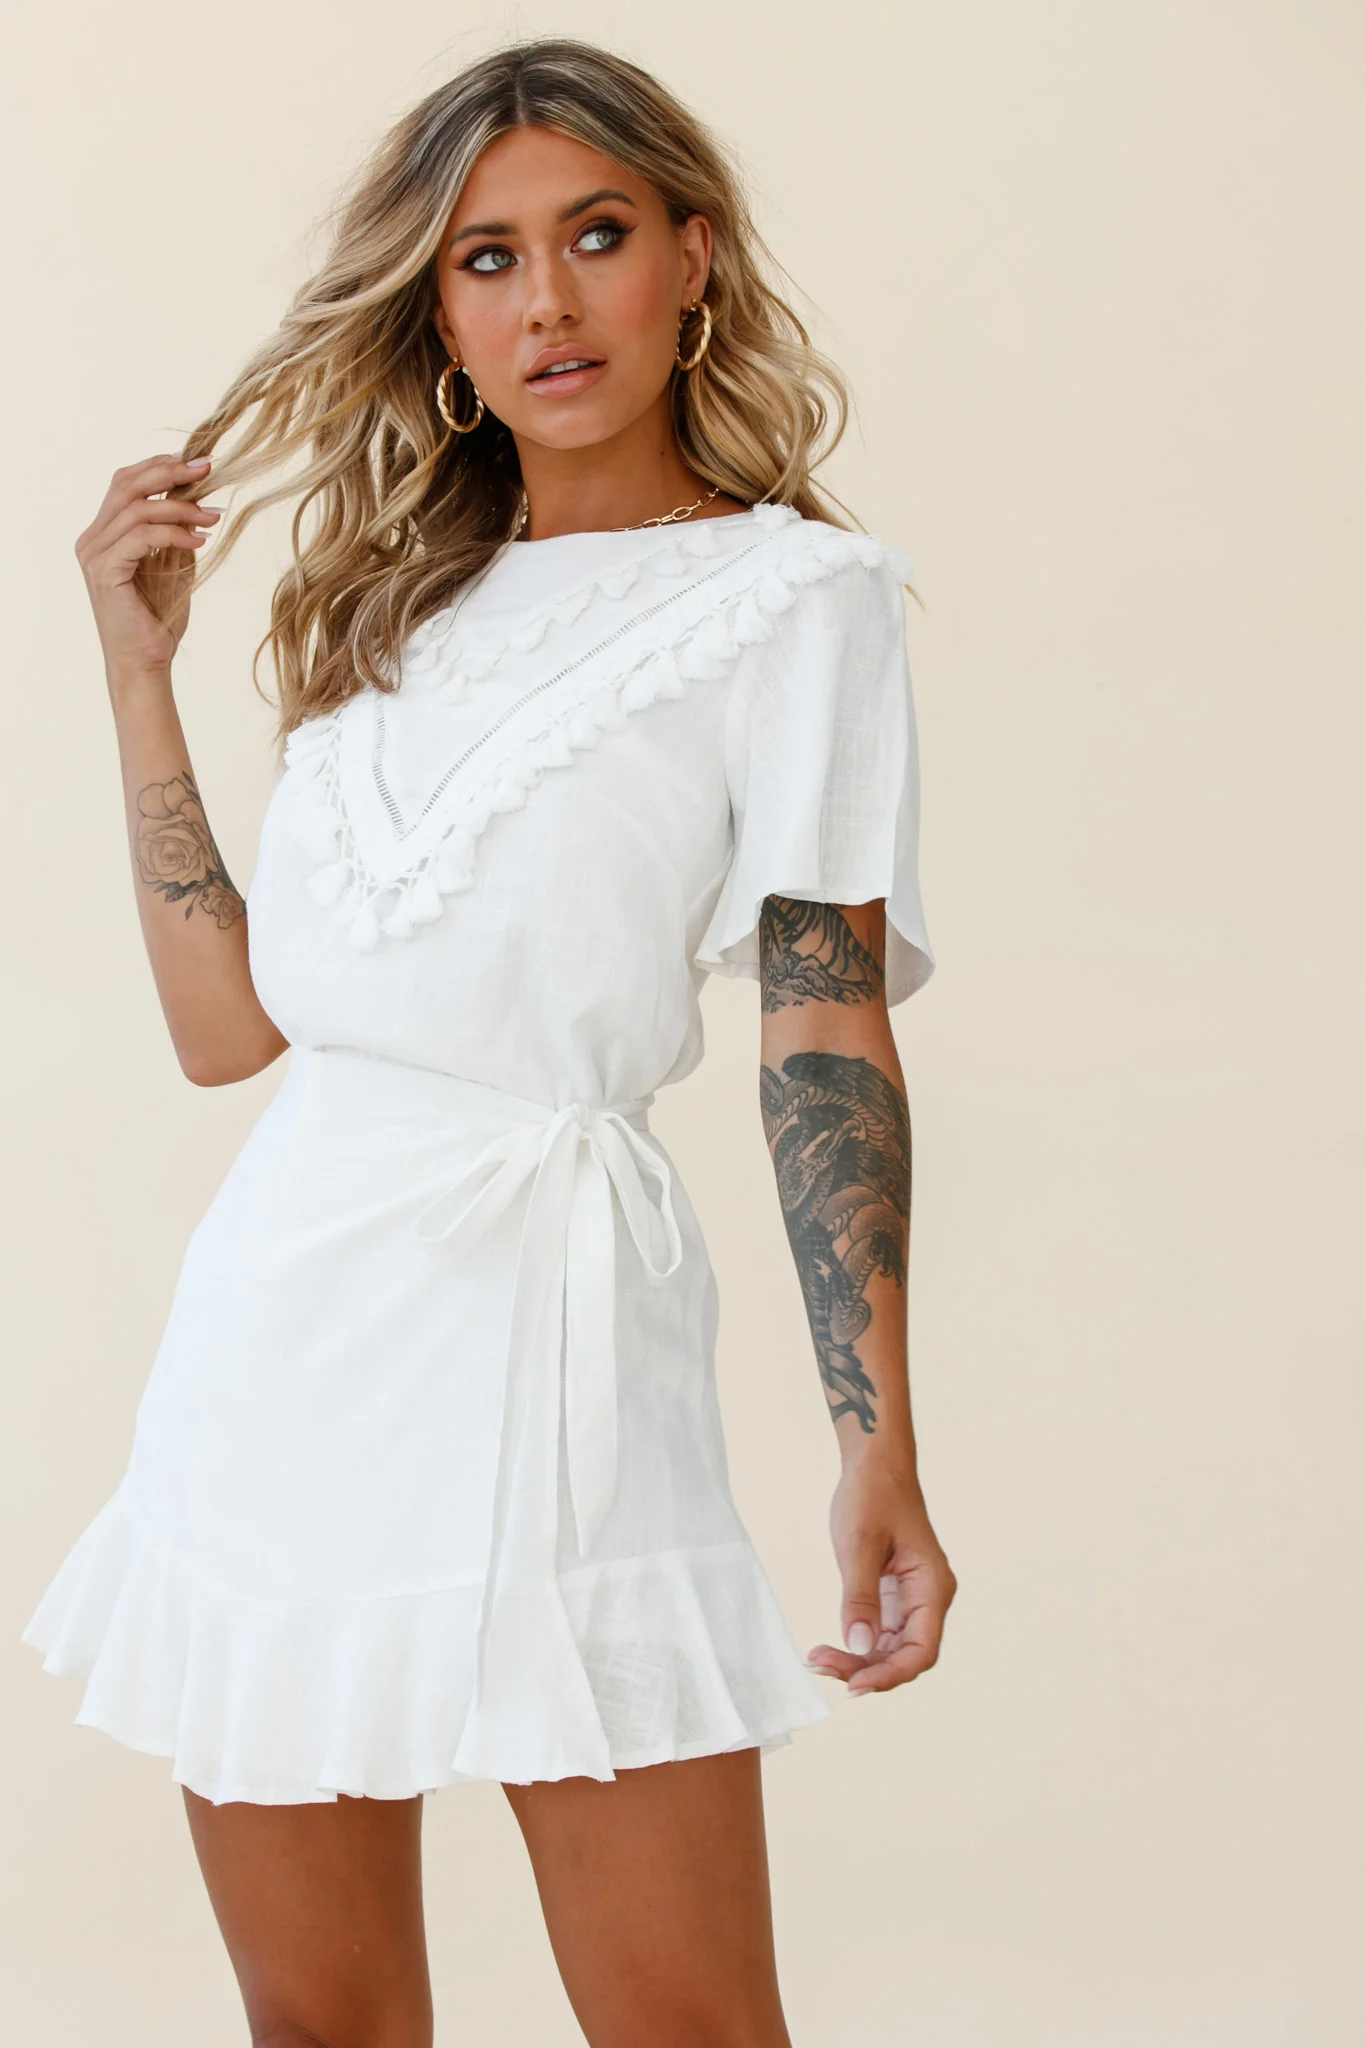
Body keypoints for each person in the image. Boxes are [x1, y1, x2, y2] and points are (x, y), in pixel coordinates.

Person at [23, 36, 956, 2048]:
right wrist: (138, 674)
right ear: (436, 315)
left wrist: (871, 1439)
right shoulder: (388, 618)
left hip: (559, 1333)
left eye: (596, 235)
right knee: (320, 2024)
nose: (548, 302)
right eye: (488, 258)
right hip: (281, 1345)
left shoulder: (800, 603)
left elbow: (822, 1023)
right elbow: (231, 1033)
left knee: (686, 2025)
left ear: (692, 257)